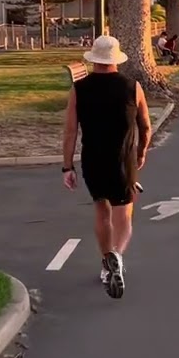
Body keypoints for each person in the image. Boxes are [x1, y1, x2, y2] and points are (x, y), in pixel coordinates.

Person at [61, 35, 154, 299]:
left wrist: (67, 167)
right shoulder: (132, 87)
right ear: (116, 60)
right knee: (123, 216)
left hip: (93, 161)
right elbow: (145, 126)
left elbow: (70, 132)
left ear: (94, 59)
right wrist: (140, 153)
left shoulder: (79, 89)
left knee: (101, 210)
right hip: (122, 160)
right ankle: (116, 255)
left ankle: (105, 263)